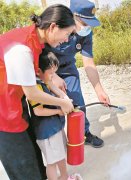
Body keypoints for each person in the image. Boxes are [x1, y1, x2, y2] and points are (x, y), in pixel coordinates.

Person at [0, 4, 75, 179]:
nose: (66, 39)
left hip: (14, 103)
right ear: (53, 27)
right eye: (67, 34)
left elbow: (42, 75)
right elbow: (32, 93)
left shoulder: (37, 41)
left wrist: (56, 83)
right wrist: (62, 103)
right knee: (24, 168)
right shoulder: (22, 49)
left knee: (34, 159)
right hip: (4, 113)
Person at [46, 0, 110, 148]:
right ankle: (57, 141)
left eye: (89, 24)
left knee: (78, 103)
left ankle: (83, 133)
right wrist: (52, 76)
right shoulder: (55, 25)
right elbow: (40, 54)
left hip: (68, 69)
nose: (87, 27)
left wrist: (99, 90)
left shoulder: (85, 34)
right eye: (84, 23)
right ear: (72, 16)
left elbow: (88, 63)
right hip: (47, 69)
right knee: (56, 107)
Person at [29, 50, 82, 180]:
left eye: (54, 72)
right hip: (46, 133)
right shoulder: (35, 88)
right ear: (38, 71)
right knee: (51, 162)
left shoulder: (46, 80)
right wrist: (59, 111)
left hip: (55, 127)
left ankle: (64, 177)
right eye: (51, 73)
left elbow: (54, 87)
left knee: (60, 155)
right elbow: (38, 111)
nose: (53, 76)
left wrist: (66, 99)